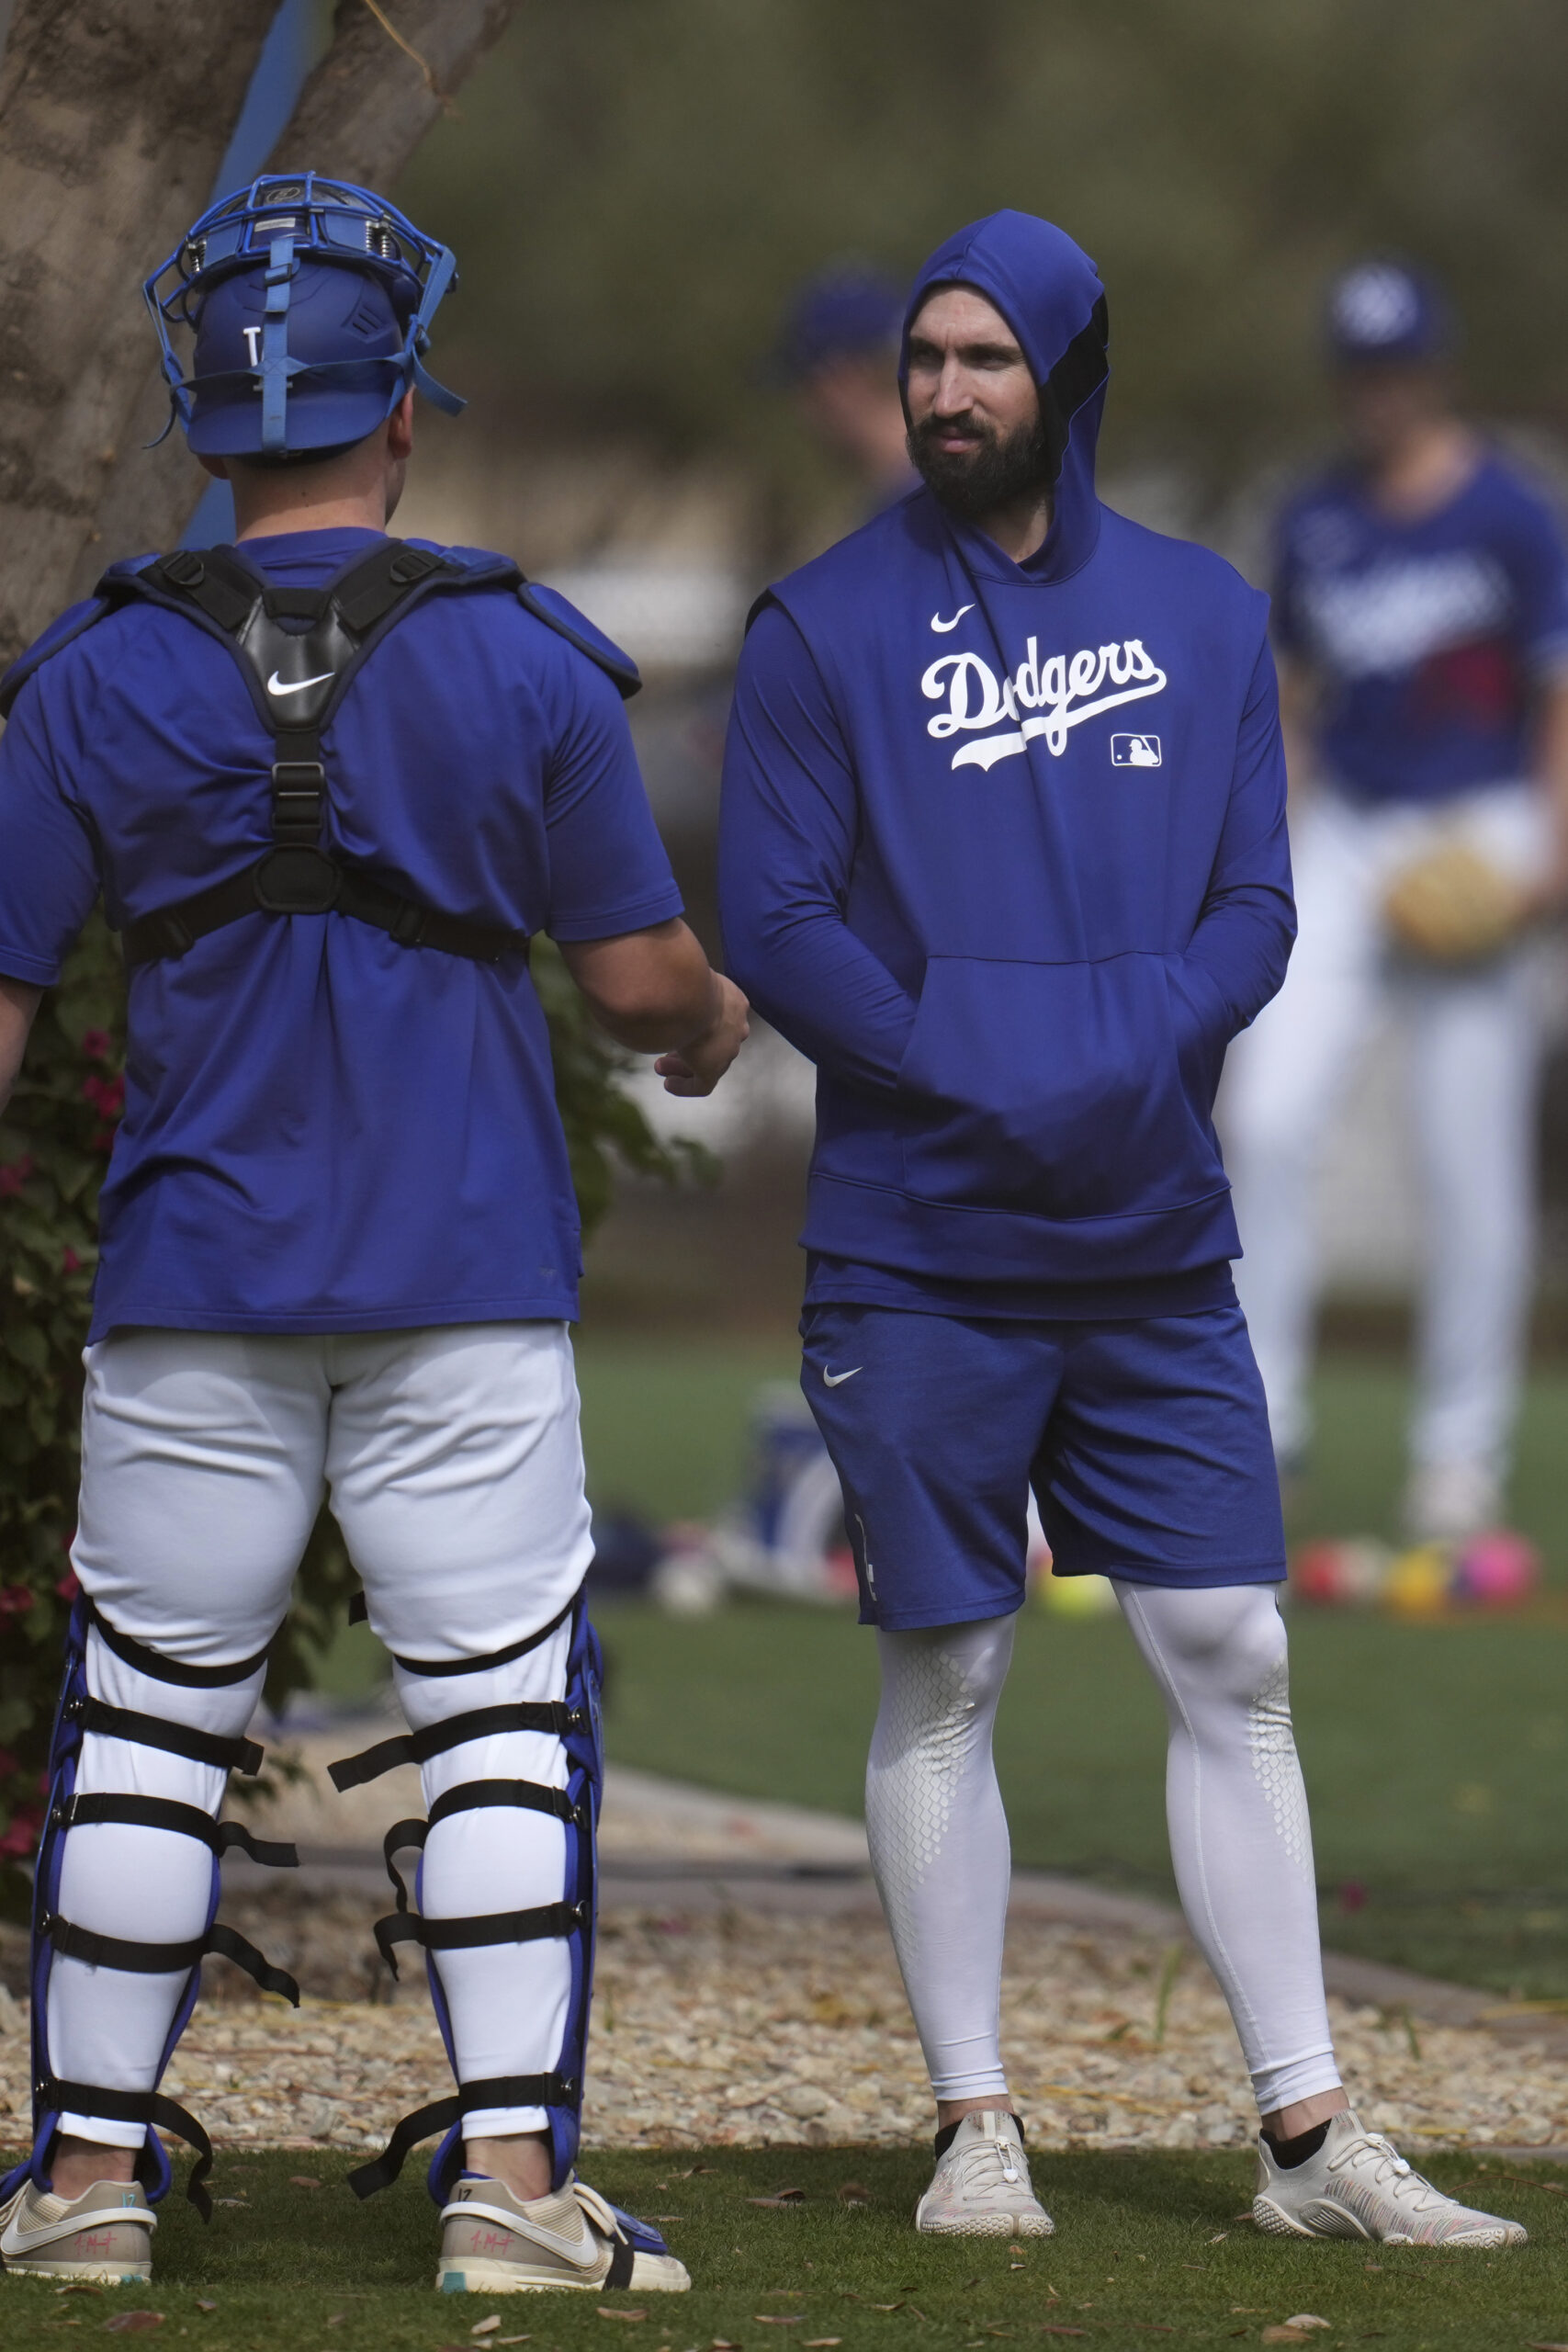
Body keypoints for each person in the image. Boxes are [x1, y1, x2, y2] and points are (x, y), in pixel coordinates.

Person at [719, 208, 1525, 2250]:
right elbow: (778, 919)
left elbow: (1253, 906)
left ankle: (1305, 2133)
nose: (946, 392)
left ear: (1066, 376)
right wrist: (968, 1058)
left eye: (986, 359)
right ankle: (972, 2117)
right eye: (924, 358)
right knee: (947, 1668)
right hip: (915, 1233)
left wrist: (1115, 1044)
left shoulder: (1197, 610)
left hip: (1149, 1233)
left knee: (1229, 1647)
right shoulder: (817, 627)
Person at [0, 174, 746, 2297]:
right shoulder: (518, 655)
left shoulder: (92, 673)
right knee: (502, 1709)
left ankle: (80, 2184)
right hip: (461, 1282)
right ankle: (514, 2189)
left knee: (144, 1716)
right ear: (402, 406)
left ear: (203, 412)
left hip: (189, 1285)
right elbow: (631, 981)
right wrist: (710, 1018)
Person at [1225, 259, 1568, 1539]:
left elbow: (1556, 690)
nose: (1377, 394)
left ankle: (1455, 1459)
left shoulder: (1509, 514)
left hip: (1481, 829)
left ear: (1439, 373)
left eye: (1397, 370)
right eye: (1357, 372)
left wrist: (1550, 856)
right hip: (1352, 834)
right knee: (1262, 1112)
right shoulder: (1314, 519)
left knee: (1465, 1163)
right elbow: (1292, 700)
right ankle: (1259, 1427)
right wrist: (1264, 840)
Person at [772, 258, 917, 512]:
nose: (802, 411)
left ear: (839, 378)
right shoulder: (969, 489)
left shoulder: (907, 521)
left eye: (803, 385)